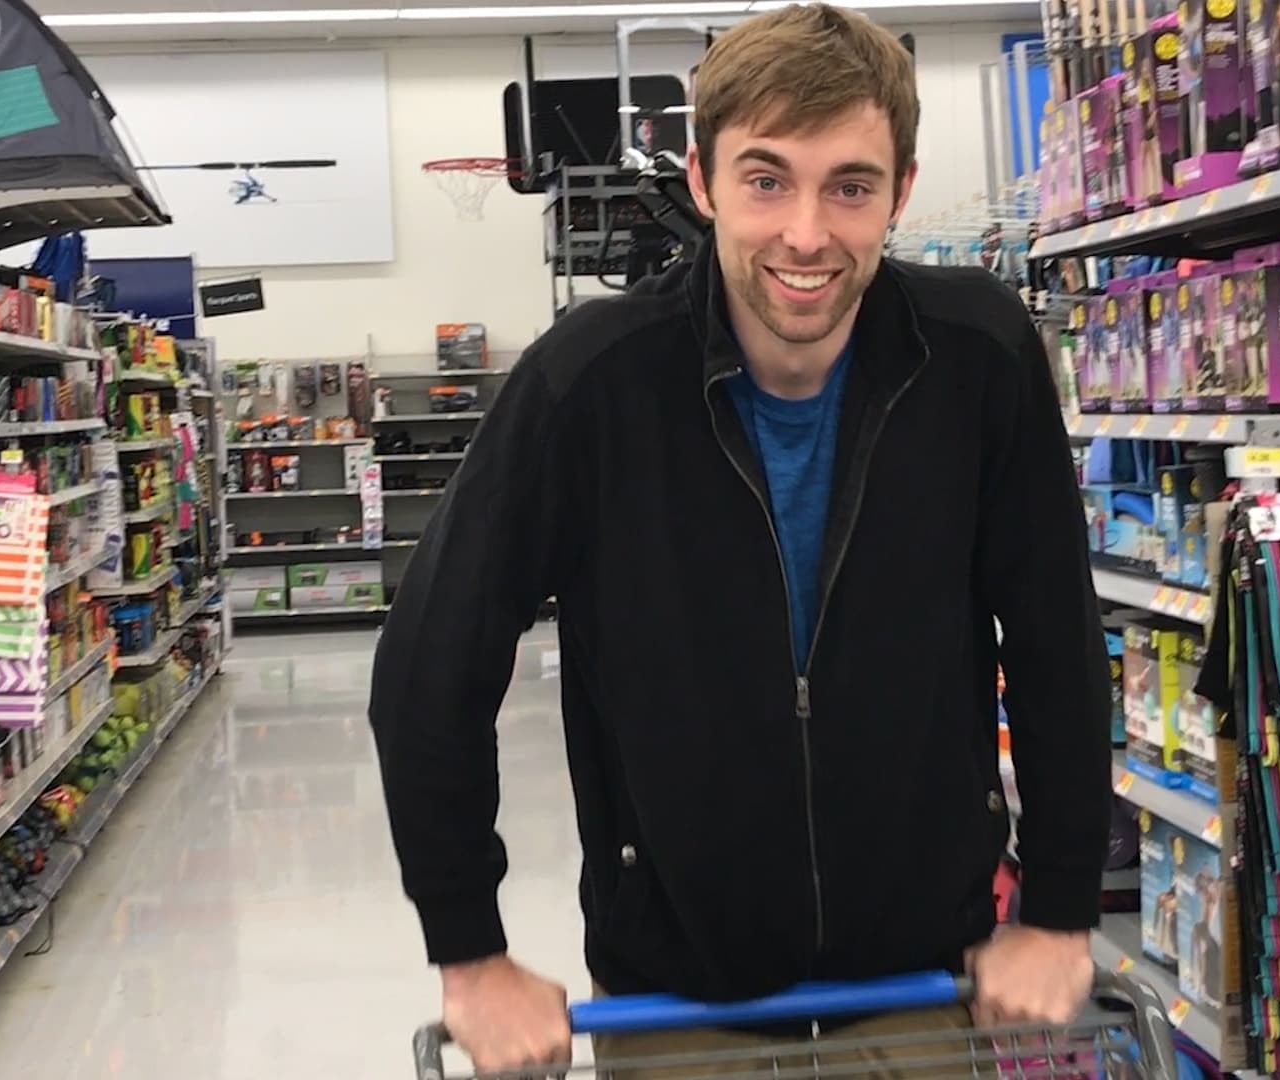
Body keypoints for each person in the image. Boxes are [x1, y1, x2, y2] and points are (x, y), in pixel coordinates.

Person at [368, 6, 1112, 1075]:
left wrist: (1057, 907)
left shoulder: (979, 361)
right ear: (703, 181)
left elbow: (1054, 644)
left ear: (900, 191)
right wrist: (469, 951)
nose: (807, 234)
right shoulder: (592, 382)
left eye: (850, 186)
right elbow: (431, 668)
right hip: (677, 999)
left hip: (918, 986)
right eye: (767, 180)